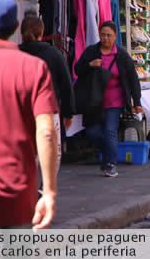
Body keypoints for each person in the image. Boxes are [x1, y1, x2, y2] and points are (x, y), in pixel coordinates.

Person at [0, 0, 58, 229]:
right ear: (15, 27)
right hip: (17, 197)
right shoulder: (34, 69)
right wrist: (48, 191)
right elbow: (46, 132)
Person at [75, 21, 142, 178]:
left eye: (109, 35)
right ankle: (108, 151)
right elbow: (78, 70)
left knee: (110, 130)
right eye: (103, 35)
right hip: (94, 100)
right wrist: (90, 64)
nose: (105, 38)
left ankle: (110, 164)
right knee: (92, 131)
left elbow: (133, 79)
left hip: (115, 100)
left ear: (115, 37)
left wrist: (136, 102)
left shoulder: (122, 56)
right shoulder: (92, 52)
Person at [19, 14, 76, 163]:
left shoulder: (14, 55)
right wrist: (69, 113)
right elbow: (66, 84)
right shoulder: (53, 54)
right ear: (41, 33)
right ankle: (45, 186)